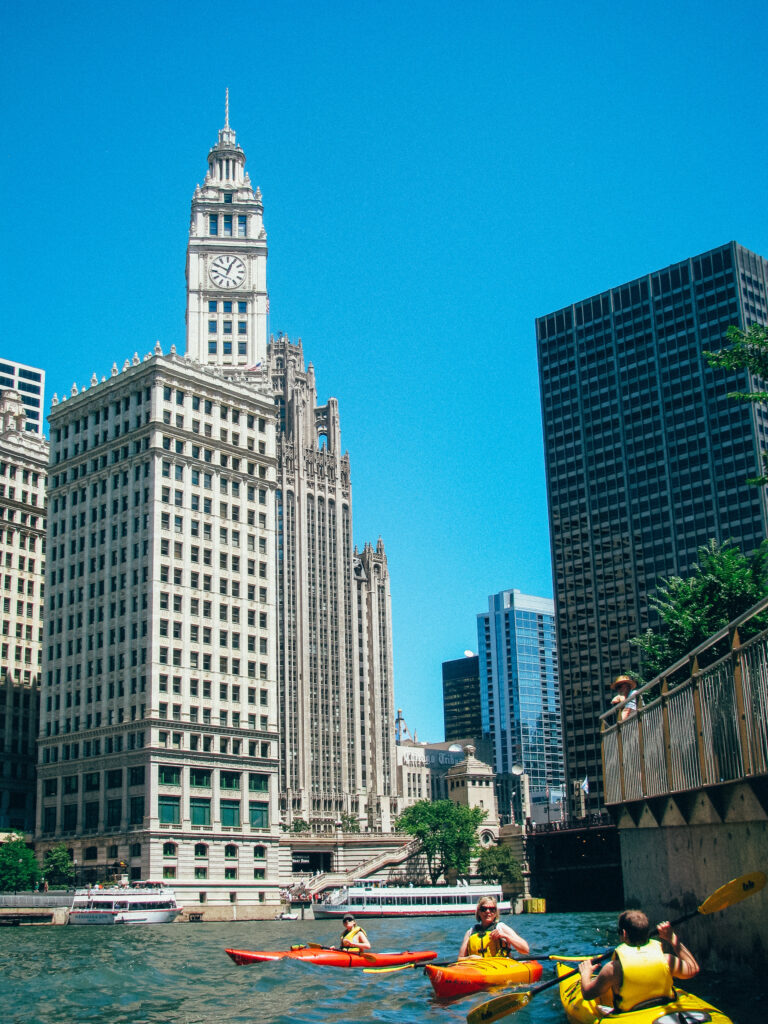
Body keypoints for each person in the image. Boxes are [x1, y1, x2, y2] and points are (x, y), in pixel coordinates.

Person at [579, 910, 699, 1011]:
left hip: (632, 1016)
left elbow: (588, 994)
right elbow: (693, 969)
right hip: (664, 1011)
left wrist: (585, 973)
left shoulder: (613, 969)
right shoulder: (666, 959)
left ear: (624, 934)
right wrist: (672, 938)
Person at [458, 896, 530, 958]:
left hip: (500, 968)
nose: (488, 912)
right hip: (478, 968)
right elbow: (460, 958)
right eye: (484, 909)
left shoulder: (501, 927)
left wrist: (505, 936)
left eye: (492, 909)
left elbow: (525, 949)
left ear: (495, 913)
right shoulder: (470, 932)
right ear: (479, 912)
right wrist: (470, 958)